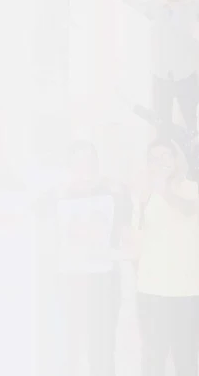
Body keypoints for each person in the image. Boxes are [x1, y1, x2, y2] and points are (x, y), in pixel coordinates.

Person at [43, 142, 131, 376]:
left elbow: (126, 231)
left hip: (104, 282)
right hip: (67, 282)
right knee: (67, 348)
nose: (84, 166)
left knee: (102, 348)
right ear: (70, 165)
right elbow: (40, 229)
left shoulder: (114, 192)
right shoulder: (56, 194)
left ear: (97, 164)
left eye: (90, 160)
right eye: (78, 161)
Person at [135, 138, 199, 376]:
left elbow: (190, 210)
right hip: (152, 290)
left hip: (190, 290)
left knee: (186, 361)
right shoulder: (142, 194)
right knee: (153, 360)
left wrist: (164, 190)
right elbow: (134, 238)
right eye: (154, 158)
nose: (160, 162)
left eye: (166, 155)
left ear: (177, 158)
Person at [103, 0, 199, 128]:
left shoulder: (193, 10)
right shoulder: (154, 9)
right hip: (161, 79)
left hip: (186, 78)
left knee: (195, 125)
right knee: (161, 126)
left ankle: (197, 152)